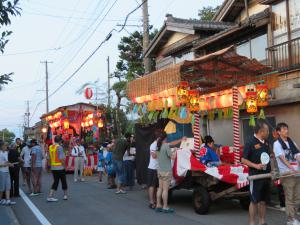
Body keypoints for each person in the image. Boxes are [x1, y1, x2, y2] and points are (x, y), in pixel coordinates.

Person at [241, 120, 271, 225]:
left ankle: (262, 222)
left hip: (266, 175)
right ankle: (252, 223)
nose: (268, 132)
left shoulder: (267, 142)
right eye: (267, 130)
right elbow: (243, 160)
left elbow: (267, 156)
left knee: (263, 201)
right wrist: (256, 166)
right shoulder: (250, 142)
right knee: (254, 201)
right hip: (255, 176)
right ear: (261, 131)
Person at [273, 122, 300, 225]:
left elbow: (297, 155)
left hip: (297, 173)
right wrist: (292, 168)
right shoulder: (277, 144)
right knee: (289, 197)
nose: (286, 131)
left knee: (298, 197)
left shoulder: (291, 142)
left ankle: (292, 216)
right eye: (283, 129)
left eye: (287, 129)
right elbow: (282, 158)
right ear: (279, 132)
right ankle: (291, 219)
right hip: (287, 174)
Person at [155, 131, 176, 213]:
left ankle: (158, 205)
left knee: (160, 188)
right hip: (166, 171)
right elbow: (172, 157)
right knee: (165, 190)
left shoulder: (158, 146)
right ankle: (165, 207)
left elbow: (157, 156)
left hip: (159, 170)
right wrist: (174, 152)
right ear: (165, 138)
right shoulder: (166, 146)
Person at [47, 135, 68, 202]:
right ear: (59, 141)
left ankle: (50, 196)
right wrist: (65, 167)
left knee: (55, 181)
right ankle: (65, 195)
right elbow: (61, 159)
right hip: (60, 167)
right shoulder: (59, 147)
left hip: (53, 168)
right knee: (63, 181)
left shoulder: (50, 147)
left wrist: (49, 166)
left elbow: (48, 158)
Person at [147, 130, 160, 209]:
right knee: (152, 185)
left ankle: (156, 201)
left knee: (157, 186)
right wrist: (162, 152)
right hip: (152, 168)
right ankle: (151, 201)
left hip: (158, 168)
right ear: (158, 138)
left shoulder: (160, 144)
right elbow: (154, 156)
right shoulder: (153, 145)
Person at [0, 141, 16, 205]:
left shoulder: (6, 152)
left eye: (6, 145)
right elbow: (3, 164)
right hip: (1, 171)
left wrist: (9, 164)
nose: (6, 146)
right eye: (5, 145)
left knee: (8, 186)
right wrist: (7, 164)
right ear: (1, 146)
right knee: (2, 187)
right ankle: (0, 200)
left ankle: (8, 200)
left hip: (7, 171)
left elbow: (6, 161)